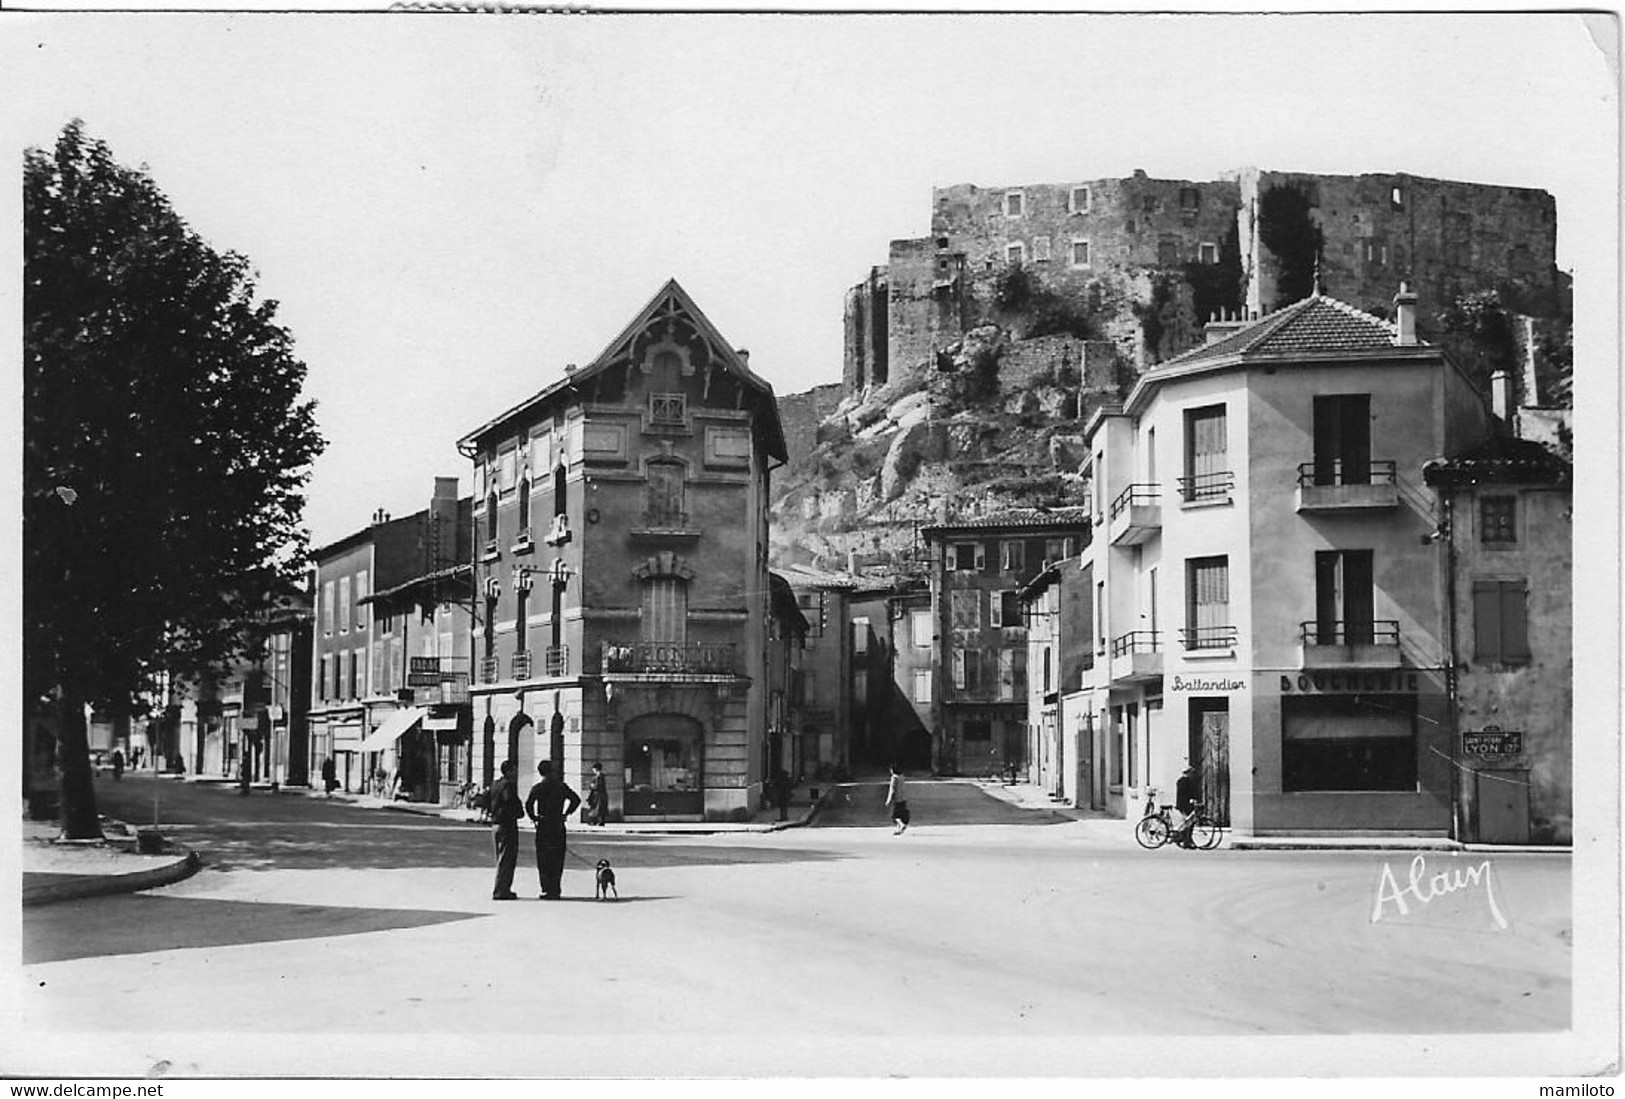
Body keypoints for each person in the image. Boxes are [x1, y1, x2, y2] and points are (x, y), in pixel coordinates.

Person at [525, 760, 581, 899]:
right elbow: (576, 799)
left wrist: (534, 817)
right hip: (558, 825)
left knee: (543, 858)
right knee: (557, 858)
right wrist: (566, 814)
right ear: (551, 771)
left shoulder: (538, 787)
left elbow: (528, 804)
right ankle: (555, 889)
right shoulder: (561, 786)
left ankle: (546, 889)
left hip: (543, 825)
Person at [489, 760, 523, 900]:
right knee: (507, 859)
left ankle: (504, 889)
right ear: (509, 771)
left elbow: (485, 800)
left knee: (501, 858)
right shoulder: (508, 785)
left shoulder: (495, 784)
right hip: (507, 825)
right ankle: (501, 891)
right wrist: (518, 812)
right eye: (514, 769)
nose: (516, 772)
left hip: (495, 824)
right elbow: (510, 801)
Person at [1173, 764, 1201, 849]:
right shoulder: (1184, 781)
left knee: (1188, 822)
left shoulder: (1182, 780)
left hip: (1184, 804)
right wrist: (1192, 799)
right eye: (1191, 772)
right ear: (1188, 772)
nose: (1192, 774)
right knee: (1189, 823)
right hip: (1185, 805)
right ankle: (1185, 840)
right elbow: (1186, 794)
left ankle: (1186, 839)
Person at [885, 763, 909, 835]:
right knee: (900, 814)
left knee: (894, 816)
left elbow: (892, 790)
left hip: (897, 799)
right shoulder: (902, 777)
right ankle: (899, 830)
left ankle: (901, 825)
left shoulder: (894, 778)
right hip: (903, 798)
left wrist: (888, 800)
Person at [584, 761, 608, 827]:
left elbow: (599, 785)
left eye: (594, 769)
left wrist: (592, 786)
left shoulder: (600, 776)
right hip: (596, 794)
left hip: (599, 794)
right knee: (596, 808)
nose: (593, 770)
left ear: (596, 769)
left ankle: (598, 821)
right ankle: (596, 821)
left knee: (598, 808)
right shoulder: (598, 776)